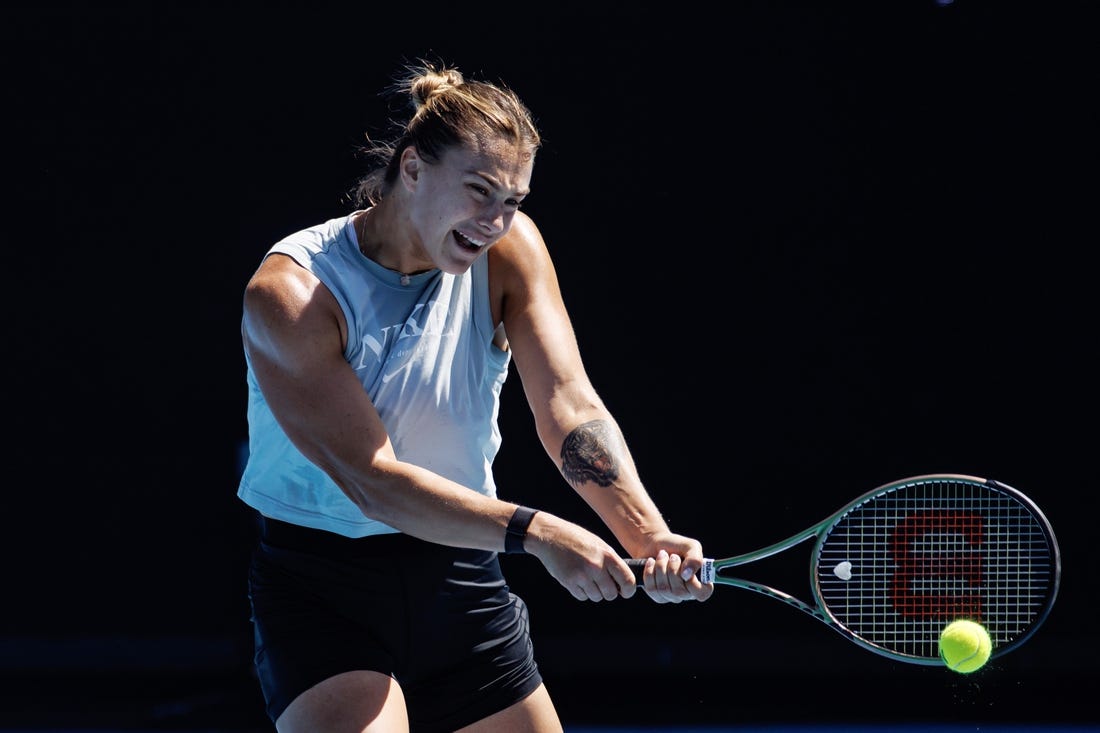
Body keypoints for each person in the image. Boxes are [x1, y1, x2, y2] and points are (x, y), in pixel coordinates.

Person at [237, 59, 714, 733]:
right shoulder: (291, 293)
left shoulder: (510, 252)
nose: (495, 220)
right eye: (480, 191)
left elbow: (570, 407)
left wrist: (647, 532)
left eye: (513, 201)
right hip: (322, 588)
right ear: (411, 169)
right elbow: (373, 481)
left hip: (459, 576)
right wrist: (537, 531)